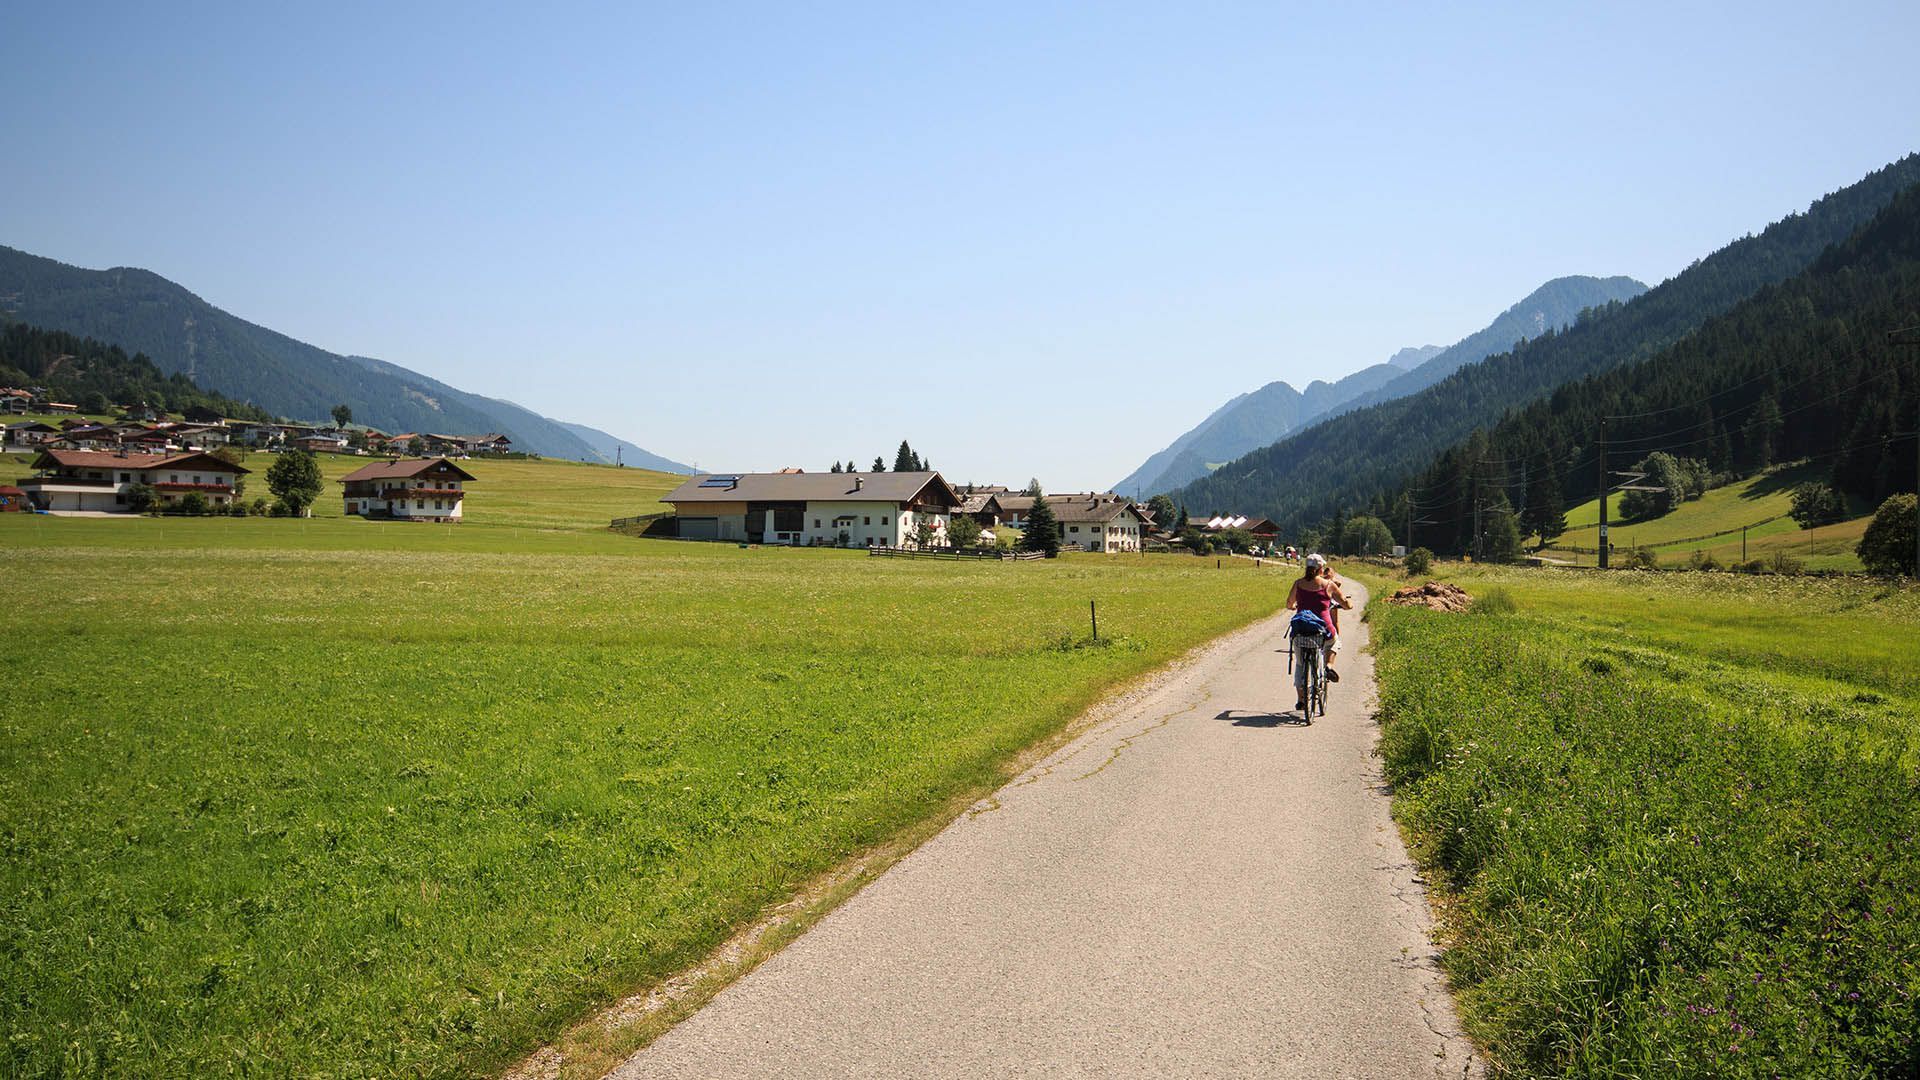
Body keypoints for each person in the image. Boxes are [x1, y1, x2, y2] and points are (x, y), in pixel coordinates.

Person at [1285, 553, 1351, 710]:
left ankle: (1301, 699)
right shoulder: (1328, 585)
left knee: (1300, 664)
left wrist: (1294, 607)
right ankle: (1328, 665)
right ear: (1321, 568)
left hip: (1301, 629)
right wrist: (1349, 604)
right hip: (1323, 630)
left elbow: (1289, 603)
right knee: (1335, 641)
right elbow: (1345, 603)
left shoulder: (1298, 584)